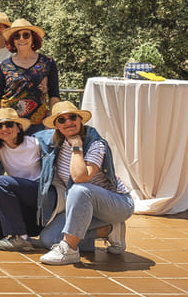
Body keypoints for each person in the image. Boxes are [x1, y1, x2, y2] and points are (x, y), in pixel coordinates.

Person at [35, 101, 133, 264]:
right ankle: (109, 230)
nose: (68, 122)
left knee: (79, 190)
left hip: (116, 205)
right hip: (83, 208)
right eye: (61, 120)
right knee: (49, 238)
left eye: (72, 117)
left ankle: (70, 250)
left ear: (80, 120)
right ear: (56, 126)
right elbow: (28, 140)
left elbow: (80, 177)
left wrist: (77, 146)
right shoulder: (55, 144)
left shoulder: (95, 143)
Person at [0, 18, 60, 133]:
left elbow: (54, 95)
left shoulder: (48, 62)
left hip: (39, 125)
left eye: (26, 35)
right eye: (17, 36)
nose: (21, 39)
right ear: (12, 41)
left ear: (33, 38)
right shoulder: (4, 66)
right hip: (10, 126)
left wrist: (50, 122)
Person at [0, 107, 43, 251]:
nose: (4, 129)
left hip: (38, 193)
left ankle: (19, 237)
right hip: (19, 197)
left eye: (9, 124)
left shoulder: (35, 144)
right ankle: (29, 234)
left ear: (19, 128)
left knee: (2, 182)